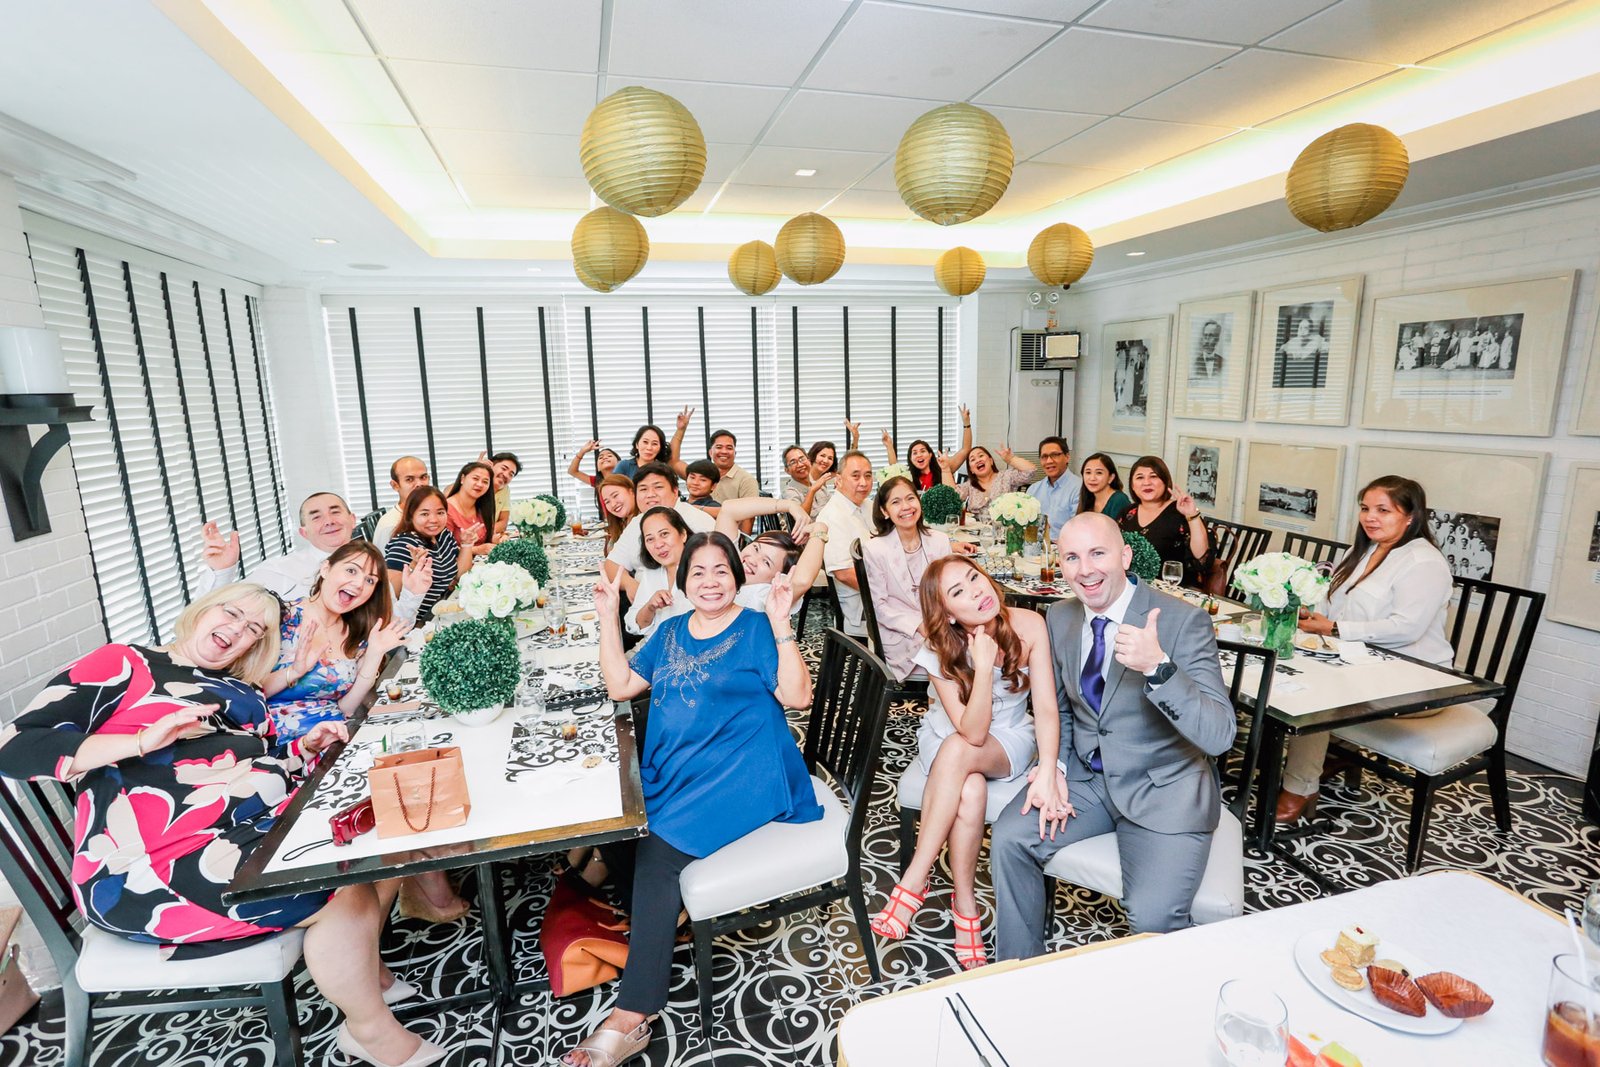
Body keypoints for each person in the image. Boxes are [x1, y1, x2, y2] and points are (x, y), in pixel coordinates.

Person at [0, 583, 448, 1067]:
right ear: (202, 609)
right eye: (231, 613)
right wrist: (140, 742)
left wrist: (304, 748)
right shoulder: (126, 662)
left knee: (373, 836)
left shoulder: (239, 688)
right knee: (339, 886)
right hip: (150, 865)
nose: (238, 630)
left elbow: (248, 761)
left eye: (254, 629)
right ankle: (369, 1030)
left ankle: (364, 974)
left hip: (242, 830)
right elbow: (15, 747)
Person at [569, 537, 816, 1066]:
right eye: (698, 572)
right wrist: (608, 618)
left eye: (721, 570)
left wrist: (782, 624)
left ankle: (633, 1012)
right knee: (617, 822)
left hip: (745, 770)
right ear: (682, 582)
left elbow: (798, 698)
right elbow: (620, 685)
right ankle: (663, 920)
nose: (710, 581)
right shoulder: (670, 630)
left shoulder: (756, 628)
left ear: (737, 578)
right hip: (684, 765)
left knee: (658, 855)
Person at [990, 513, 1236, 958]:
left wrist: (1159, 668)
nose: (1085, 570)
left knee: (1152, 918)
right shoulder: (1060, 617)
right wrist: (1053, 767)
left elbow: (1220, 736)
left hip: (1164, 788)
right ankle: (1017, 970)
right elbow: (1062, 710)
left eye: (1098, 554)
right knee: (1010, 839)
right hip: (1088, 779)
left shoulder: (1183, 621)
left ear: (1125, 556)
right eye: (1071, 557)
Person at [869, 557, 1059, 969]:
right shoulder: (938, 646)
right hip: (948, 735)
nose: (976, 591)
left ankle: (914, 879)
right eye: (958, 592)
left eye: (974, 578)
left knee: (960, 752)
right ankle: (966, 906)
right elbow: (970, 730)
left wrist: (1048, 766)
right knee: (969, 787)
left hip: (1008, 738)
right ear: (949, 614)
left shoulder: (1030, 625)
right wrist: (984, 669)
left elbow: (1044, 707)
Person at [1275, 476, 1455, 823]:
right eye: (1365, 508)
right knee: (1285, 669)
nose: (1370, 517)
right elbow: (1334, 604)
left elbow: (1406, 628)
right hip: (1362, 663)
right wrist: (1313, 613)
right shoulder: (1364, 550)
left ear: (1410, 516)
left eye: (1383, 510)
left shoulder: (1424, 563)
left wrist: (1334, 628)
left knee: (1316, 693)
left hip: (1417, 679)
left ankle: (1299, 786)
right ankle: (1331, 752)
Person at [860, 475, 960, 682]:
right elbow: (879, 606)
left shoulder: (939, 541)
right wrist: (918, 625)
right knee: (949, 660)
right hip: (901, 632)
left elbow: (951, 589)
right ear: (885, 511)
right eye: (896, 502)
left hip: (940, 622)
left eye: (910, 498)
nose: (906, 507)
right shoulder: (875, 550)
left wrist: (942, 622)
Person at [199, 491, 358, 600]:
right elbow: (215, 608)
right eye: (316, 517)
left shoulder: (371, 566)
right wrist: (222, 572)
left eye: (335, 512)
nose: (329, 521)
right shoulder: (280, 570)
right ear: (304, 533)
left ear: (352, 520)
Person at [602, 463, 715, 581]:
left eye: (658, 487)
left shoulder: (698, 521)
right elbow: (611, 565)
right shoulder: (638, 521)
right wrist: (631, 586)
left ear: (675, 491)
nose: (650, 495)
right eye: (643, 489)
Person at [384, 486, 473, 623]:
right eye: (425, 514)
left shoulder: (443, 534)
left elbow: (460, 574)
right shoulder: (405, 544)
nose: (434, 520)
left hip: (441, 611)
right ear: (410, 516)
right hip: (415, 623)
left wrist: (467, 544)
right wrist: (414, 566)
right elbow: (390, 594)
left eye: (440, 512)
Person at [1118, 456, 1211, 588]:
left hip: (1172, 590)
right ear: (1132, 486)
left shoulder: (1180, 511)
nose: (1146, 482)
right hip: (1131, 586)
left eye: (1153, 476)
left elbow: (1201, 558)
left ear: (1165, 481)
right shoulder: (1127, 513)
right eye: (1140, 477)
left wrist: (1192, 515)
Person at [817, 450, 878, 638]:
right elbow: (843, 573)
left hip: (876, 592)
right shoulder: (833, 516)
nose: (864, 483)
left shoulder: (866, 505)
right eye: (856, 476)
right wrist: (887, 592)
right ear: (839, 480)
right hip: (862, 609)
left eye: (868, 476)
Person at [621, 506, 693, 639]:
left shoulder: (701, 571)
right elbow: (634, 625)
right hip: (652, 647)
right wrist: (650, 607)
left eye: (664, 534)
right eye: (650, 539)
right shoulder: (652, 572)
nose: (658, 544)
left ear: (683, 534)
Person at [943, 445, 1036, 524]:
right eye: (973, 459)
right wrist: (945, 469)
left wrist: (1010, 459)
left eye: (981, 456)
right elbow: (951, 497)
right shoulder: (970, 485)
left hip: (1003, 532)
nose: (978, 460)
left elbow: (1030, 471)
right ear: (971, 470)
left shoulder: (1006, 477)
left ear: (991, 461)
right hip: (975, 532)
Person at [371, 456, 431, 549]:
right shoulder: (390, 525)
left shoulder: (433, 516)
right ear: (395, 485)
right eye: (409, 479)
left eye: (423, 477)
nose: (419, 484)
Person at [1027, 436, 1081, 532]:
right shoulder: (1033, 489)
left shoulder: (1080, 488)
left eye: (1055, 455)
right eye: (1044, 457)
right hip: (1036, 540)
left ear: (1067, 457)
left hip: (1065, 541)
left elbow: (1078, 529)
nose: (1049, 461)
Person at [444, 461, 497, 556]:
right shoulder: (446, 509)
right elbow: (444, 548)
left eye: (485, 482)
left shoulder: (483, 508)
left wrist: (499, 539)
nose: (480, 484)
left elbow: (488, 537)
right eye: (475, 478)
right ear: (462, 479)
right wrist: (476, 550)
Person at [883, 434, 954, 493]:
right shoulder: (908, 476)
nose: (919, 455)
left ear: (930, 455)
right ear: (910, 459)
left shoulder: (942, 472)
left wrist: (945, 469)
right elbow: (894, 467)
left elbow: (952, 496)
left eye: (923, 451)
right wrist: (889, 446)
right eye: (915, 453)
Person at [1077, 452, 1133, 521]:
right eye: (1088, 472)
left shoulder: (1119, 500)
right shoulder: (1087, 497)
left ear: (1111, 477)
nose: (1092, 478)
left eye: (1099, 473)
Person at [598, 473, 639, 553]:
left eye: (615, 495)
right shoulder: (622, 522)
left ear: (631, 492)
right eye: (607, 502)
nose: (613, 504)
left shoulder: (644, 522)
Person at [486, 451, 521, 540]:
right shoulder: (477, 485)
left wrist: (486, 534)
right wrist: (474, 470)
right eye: (504, 468)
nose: (506, 475)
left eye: (511, 474)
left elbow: (503, 523)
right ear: (491, 465)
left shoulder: (505, 489)